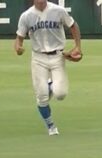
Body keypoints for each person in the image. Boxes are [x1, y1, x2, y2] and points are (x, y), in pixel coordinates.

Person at [14, 0, 82, 136]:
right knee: (42, 97)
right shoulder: (26, 16)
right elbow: (19, 38)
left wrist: (78, 46)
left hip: (58, 55)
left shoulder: (58, 11)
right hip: (38, 58)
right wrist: (18, 48)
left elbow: (73, 26)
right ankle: (51, 126)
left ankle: (51, 85)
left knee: (61, 94)